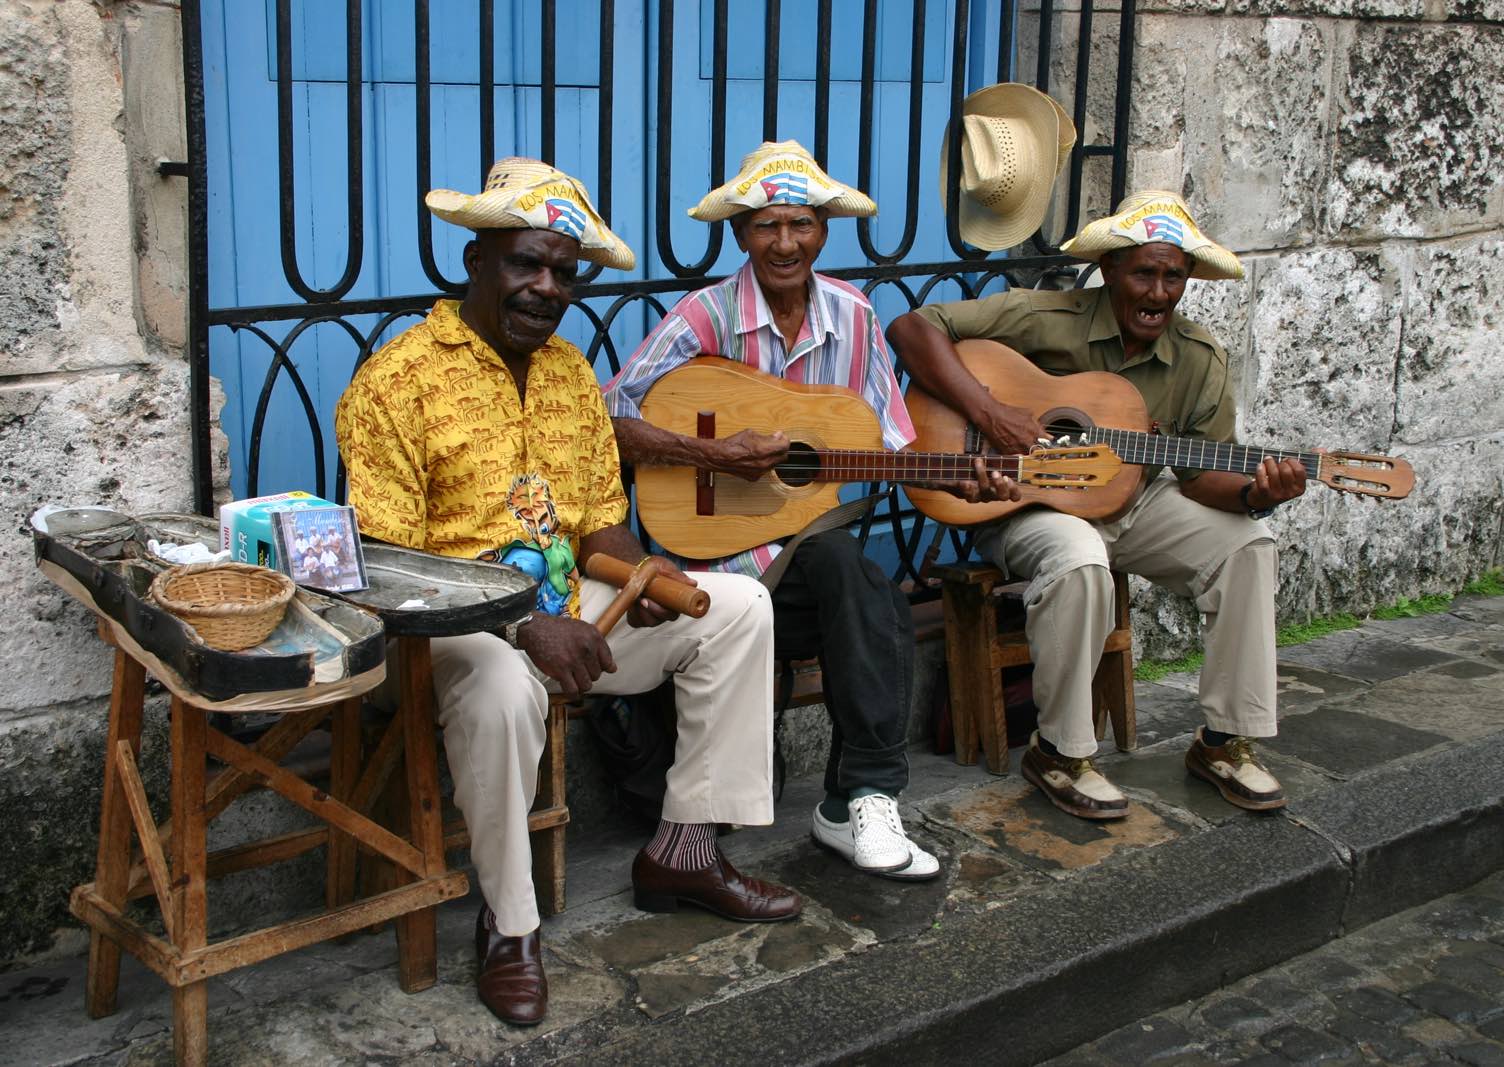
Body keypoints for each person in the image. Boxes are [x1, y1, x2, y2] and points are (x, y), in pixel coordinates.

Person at [335, 158, 799, 1029]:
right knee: (508, 682)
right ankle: (511, 925)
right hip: (449, 629)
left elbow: (596, 527)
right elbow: (391, 563)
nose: (546, 287)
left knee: (739, 607)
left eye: (563, 270)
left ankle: (685, 848)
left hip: (563, 611)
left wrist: (640, 576)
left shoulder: (569, 375)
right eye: (525, 264)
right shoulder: (396, 383)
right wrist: (523, 624)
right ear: (476, 262)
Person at [604, 140, 1017, 883]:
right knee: (858, 586)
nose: (785, 242)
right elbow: (608, 420)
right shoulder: (705, 317)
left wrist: (966, 479)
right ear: (739, 234)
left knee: (859, 581)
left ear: (824, 229)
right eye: (766, 226)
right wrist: (711, 454)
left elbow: (893, 451)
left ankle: (861, 797)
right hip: (710, 573)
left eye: (800, 224)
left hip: (803, 572)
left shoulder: (854, 319)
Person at [887, 190, 1307, 819]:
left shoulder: (1199, 359)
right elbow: (912, 328)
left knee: (1248, 544)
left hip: (1133, 504)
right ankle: (1059, 753)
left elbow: (1198, 478)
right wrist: (990, 411)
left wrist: (1256, 492)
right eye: (1144, 272)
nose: (1158, 293)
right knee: (1080, 558)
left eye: (1174, 276)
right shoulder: (1047, 318)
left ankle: (1225, 742)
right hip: (1027, 506)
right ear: (1110, 269)